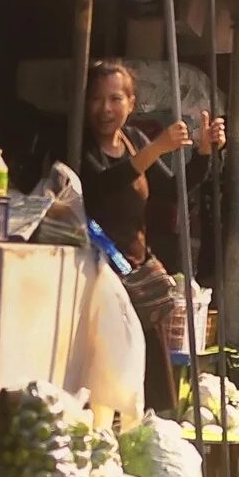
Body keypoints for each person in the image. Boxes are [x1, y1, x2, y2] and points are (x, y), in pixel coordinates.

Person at [78, 59, 225, 406]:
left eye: (115, 99)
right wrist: (156, 148)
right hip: (93, 275)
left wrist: (203, 152)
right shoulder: (80, 143)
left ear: (131, 103)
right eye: (97, 99)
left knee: (148, 381)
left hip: (134, 276)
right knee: (102, 376)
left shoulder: (134, 140)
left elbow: (172, 190)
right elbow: (100, 186)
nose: (105, 109)